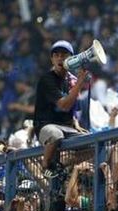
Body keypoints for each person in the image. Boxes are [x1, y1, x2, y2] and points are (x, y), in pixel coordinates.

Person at [33, 40, 88, 179]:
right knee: (55, 134)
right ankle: (45, 166)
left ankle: (61, 164)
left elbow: (73, 109)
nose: (60, 58)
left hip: (68, 128)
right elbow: (64, 105)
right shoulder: (47, 79)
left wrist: (75, 123)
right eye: (56, 55)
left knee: (91, 142)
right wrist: (81, 82)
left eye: (64, 55)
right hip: (46, 126)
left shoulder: (72, 80)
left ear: (72, 58)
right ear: (51, 59)